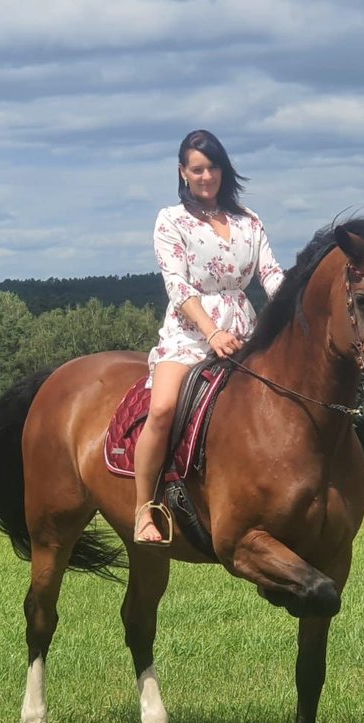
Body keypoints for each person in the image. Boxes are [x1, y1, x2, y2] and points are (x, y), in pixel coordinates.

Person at [133, 129, 284, 544]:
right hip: (189, 334)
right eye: (197, 169)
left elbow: (270, 273)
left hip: (245, 334)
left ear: (223, 169)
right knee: (162, 409)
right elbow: (178, 287)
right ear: (182, 172)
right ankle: (144, 510)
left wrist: (293, 309)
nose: (205, 176)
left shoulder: (248, 220)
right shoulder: (171, 220)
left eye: (212, 167)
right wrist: (211, 331)